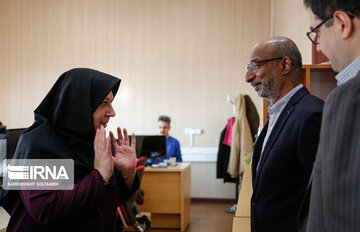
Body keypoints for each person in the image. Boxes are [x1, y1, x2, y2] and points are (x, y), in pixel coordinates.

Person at [0, 68, 144, 232]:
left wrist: (127, 174)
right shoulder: (35, 144)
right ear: (77, 103)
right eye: (104, 102)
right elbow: (47, 212)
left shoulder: (91, 142)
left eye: (111, 102)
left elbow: (104, 201)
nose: (112, 112)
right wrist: (100, 176)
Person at [245, 37, 324, 232]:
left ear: (285, 65)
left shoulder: (311, 115)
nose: (247, 76)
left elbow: (322, 197)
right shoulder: (276, 113)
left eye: (254, 66)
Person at [303, 1, 360, 231]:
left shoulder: (348, 99)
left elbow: (344, 214)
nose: (318, 47)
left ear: (342, 24)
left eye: (316, 33)